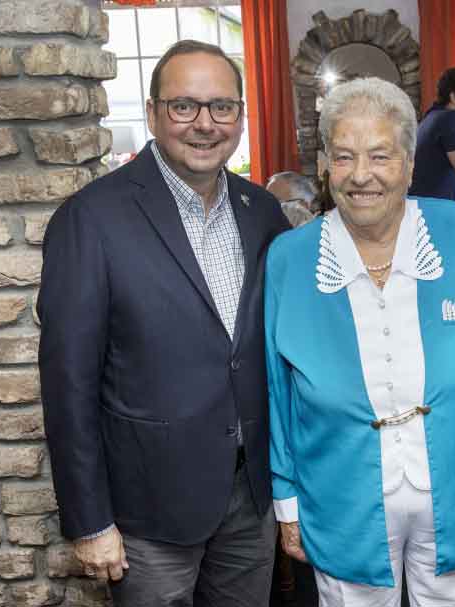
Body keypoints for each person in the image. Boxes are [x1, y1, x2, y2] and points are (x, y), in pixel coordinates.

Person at [38, 40, 289, 605]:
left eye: (222, 107)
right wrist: (90, 521)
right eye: (184, 106)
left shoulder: (263, 213)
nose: (205, 124)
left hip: (252, 498)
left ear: (241, 116)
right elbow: (67, 384)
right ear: (153, 113)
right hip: (147, 512)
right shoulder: (91, 219)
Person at [265, 77, 455, 607]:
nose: (361, 175)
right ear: (324, 165)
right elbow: (278, 390)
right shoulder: (290, 257)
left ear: (411, 164)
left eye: (380, 155)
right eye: (344, 157)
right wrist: (287, 501)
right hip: (341, 495)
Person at [408, 67, 455, 206]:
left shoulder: (432, 117)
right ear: (454, 97)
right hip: (437, 213)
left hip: (423, 211)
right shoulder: (452, 119)